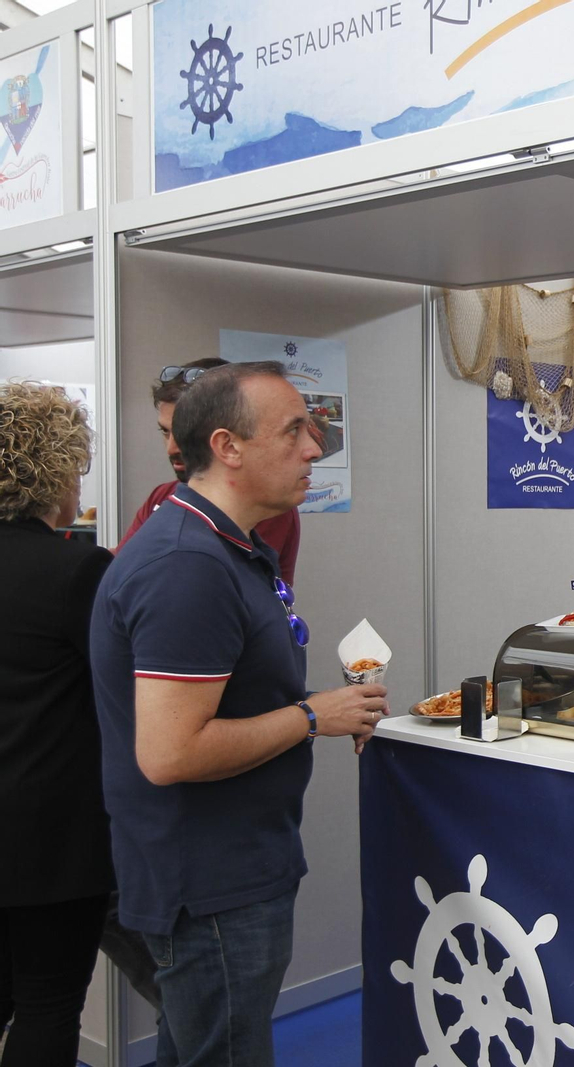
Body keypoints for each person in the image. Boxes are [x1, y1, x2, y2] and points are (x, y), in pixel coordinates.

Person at [89, 361, 387, 1067]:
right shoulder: (187, 565)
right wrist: (312, 716)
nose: (314, 448)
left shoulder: (232, 545)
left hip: (233, 866)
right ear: (227, 446)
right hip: (210, 884)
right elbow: (171, 752)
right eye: (293, 431)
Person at [0, 382, 113, 1066]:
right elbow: (126, 688)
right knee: (48, 1001)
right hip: (51, 834)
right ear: (57, 472)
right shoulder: (79, 569)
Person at [119, 358, 302, 584]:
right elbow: (123, 572)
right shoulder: (161, 497)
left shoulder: (263, 503)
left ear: (226, 438)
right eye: (166, 432)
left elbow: (212, 585)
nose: (172, 447)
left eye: (184, 432)